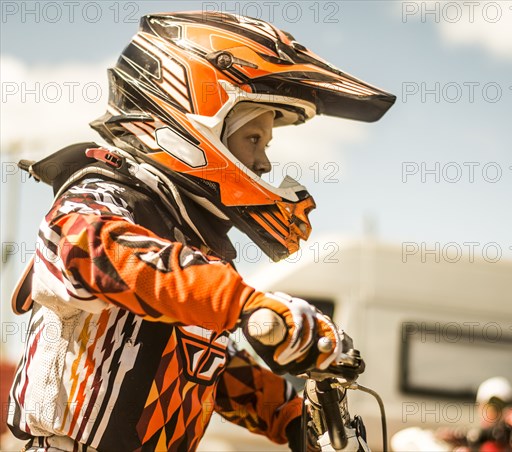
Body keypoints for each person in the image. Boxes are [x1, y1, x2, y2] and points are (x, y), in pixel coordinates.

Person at [6, 11, 395, 451]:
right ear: (189, 117)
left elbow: (207, 365)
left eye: (265, 144)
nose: (264, 162)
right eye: (253, 139)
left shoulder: (186, 242)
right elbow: (103, 252)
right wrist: (247, 305)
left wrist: (293, 418)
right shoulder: (95, 200)